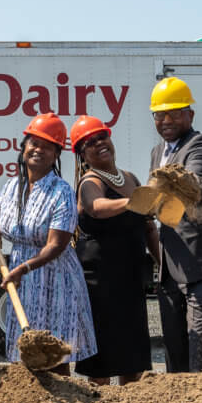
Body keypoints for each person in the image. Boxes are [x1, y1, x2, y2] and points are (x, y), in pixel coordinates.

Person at [0, 113, 96, 374]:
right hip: (22, 281)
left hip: (55, 278)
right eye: (34, 143)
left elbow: (56, 246)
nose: (38, 150)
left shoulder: (62, 191)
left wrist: (23, 269)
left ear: (57, 154)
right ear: (24, 147)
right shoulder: (12, 186)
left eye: (47, 146)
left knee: (53, 357)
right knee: (22, 357)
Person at [147, 77, 202, 373]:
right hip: (170, 268)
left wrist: (156, 198)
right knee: (175, 361)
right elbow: (162, 204)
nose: (166, 120)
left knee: (200, 363)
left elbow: (193, 187)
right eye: (160, 114)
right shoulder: (159, 151)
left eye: (174, 113)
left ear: (190, 115)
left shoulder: (200, 145)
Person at [70, 115, 159, 384]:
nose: (99, 144)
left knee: (131, 354)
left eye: (102, 137)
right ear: (83, 155)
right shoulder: (90, 181)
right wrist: (132, 201)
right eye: (90, 143)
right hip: (101, 283)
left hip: (130, 278)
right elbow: (95, 207)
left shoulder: (129, 177)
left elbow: (148, 226)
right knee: (104, 357)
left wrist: (163, 262)